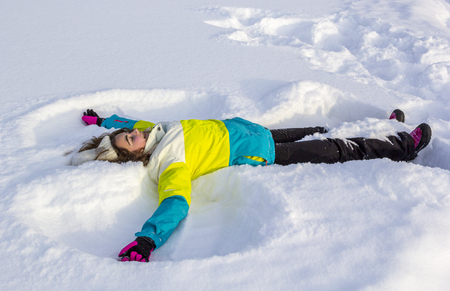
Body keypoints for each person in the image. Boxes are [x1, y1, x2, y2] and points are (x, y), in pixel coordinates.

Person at [72, 109, 431, 262]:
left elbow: (128, 119)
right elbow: (176, 203)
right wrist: (148, 238)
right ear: (134, 156)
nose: (136, 133)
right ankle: (403, 146)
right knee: (337, 149)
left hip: (253, 130)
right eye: (129, 140)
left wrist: (104, 120)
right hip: (262, 151)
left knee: (323, 130)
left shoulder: (155, 130)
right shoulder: (169, 163)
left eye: (128, 133)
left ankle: (380, 124)